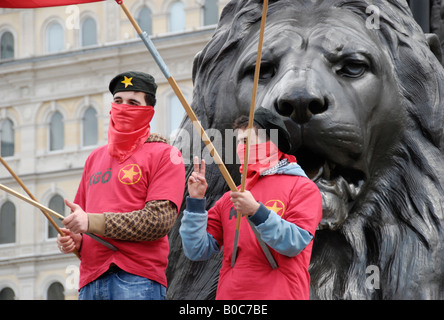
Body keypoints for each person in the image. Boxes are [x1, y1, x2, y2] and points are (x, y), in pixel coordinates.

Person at [57, 71, 185, 300]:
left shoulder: (166, 155)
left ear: (148, 112)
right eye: (118, 101)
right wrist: (76, 240)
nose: (123, 107)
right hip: (90, 280)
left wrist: (91, 222)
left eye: (133, 103)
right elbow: (83, 222)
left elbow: (158, 220)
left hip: (138, 279)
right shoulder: (94, 159)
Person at [180, 108, 322, 300]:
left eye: (246, 141)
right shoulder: (231, 196)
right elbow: (197, 249)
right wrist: (196, 202)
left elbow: (293, 243)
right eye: (238, 142)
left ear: (272, 143)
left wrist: (257, 212)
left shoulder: (302, 188)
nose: (240, 148)